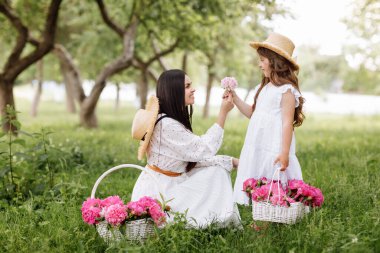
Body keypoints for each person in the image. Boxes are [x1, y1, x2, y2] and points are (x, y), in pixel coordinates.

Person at [131, 69, 240, 227]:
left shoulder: (167, 121)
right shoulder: (167, 125)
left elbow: (190, 158)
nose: (193, 89)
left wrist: (229, 161)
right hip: (161, 192)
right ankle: (212, 222)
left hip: (168, 182)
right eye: (187, 86)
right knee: (217, 173)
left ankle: (213, 219)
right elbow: (202, 150)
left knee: (217, 168)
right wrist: (223, 113)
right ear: (174, 92)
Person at [230, 33, 305, 205]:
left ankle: (278, 208)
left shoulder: (286, 90)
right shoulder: (263, 87)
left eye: (263, 60)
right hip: (258, 142)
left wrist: (284, 153)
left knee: (274, 174)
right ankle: (260, 208)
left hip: (274, 144)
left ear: (275, 62)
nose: (259, 64)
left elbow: (287, 123)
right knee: (259, 173)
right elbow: (252, 113)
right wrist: (234, 97)